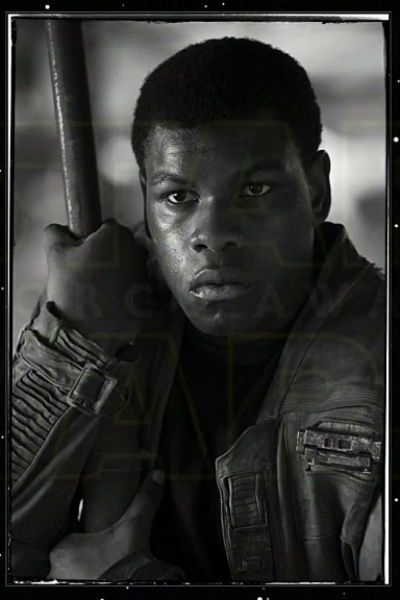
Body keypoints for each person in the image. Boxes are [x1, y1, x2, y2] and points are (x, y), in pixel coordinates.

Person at [11, 37, 385, 583]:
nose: (212, 234)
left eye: (255, 189)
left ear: (316, 191)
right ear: (146, 197)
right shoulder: (102, 319)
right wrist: (70, 344)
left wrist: (127, 579)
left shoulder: (382, 365)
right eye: (178, 197)